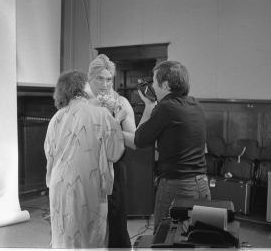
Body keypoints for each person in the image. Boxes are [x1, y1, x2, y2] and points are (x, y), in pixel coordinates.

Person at [126, 60, 211, 231]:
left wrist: (112, 131)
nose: (152, 86)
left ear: (165, 85)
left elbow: (138, 141)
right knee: (195, 237)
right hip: (202, 184)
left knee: (165, 239)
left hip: (178, 186)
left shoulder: (166, 107)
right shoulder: (196, 104)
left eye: (154, 81)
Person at [44, 70, 125, 248]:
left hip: (59, 184)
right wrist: (116, 119)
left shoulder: (56, 118)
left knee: (64, 235)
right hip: (87, 182)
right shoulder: (100, 114)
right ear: (82, 86)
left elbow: (49, 155)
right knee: (90, 236)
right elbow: (115, 152)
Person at [85, 54, 135, 248]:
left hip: (115, 167)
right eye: (100, 78)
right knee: (90, 220)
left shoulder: (121, 101)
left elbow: (134, 141)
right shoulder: (81, 103)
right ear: (90, 78)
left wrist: (116, 122)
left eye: (109, 79)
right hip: (88, 167)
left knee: (116, 220)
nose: (105, 84)